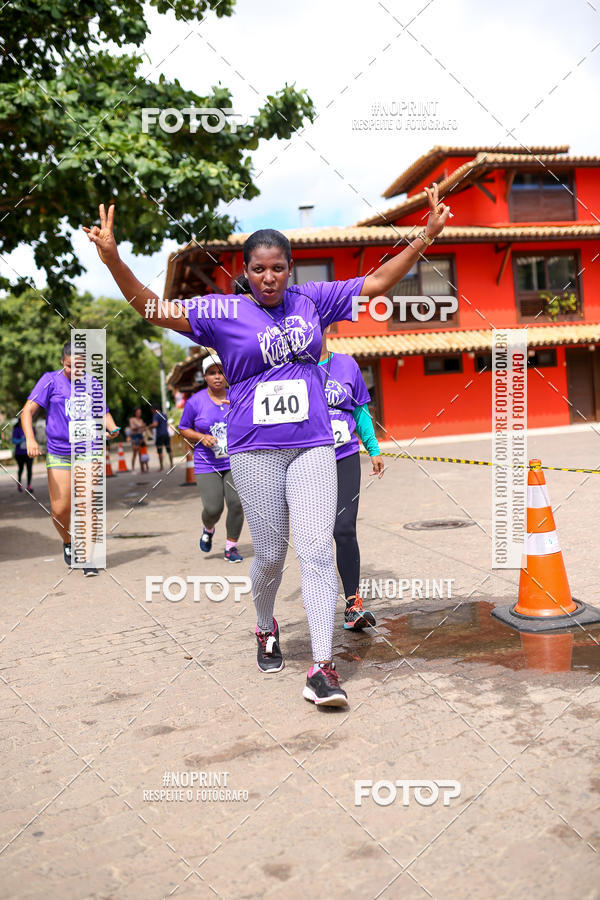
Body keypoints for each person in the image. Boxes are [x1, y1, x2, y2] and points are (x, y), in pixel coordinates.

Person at [83, 186, 450, 705]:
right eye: (259, 269)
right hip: (254, 451)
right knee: (272, 555)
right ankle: (264, 624)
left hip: (314, 445)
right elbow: (152, 309)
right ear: (247, 272)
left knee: (318, 548)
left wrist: (425, 236)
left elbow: (380, 280)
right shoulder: (222, 311)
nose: (269, 278)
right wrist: (115, 259)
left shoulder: (312, 301)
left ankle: (322, 668)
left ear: (290, 269)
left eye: (278, 268)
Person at [20, 342, 120, 576]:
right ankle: (68, 541)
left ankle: (87, 558)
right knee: (60, 509)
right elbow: (27, 411)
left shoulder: (92, 382)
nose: (74, 371)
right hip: (59, 452)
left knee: (87, 505)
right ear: (62, 362)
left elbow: (102, 411)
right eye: (69, 366)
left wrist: (112, 427)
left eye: (79, 367)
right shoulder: (49, 380)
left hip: (88, 450)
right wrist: (31, 440)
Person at [318, 328, 385, 630]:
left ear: (328, 326)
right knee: (317, 537)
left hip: (345, 457)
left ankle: (352, 605)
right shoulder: (290, 368)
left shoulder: (346, 365)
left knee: (344, 528)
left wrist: (373, 448)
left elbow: (360, 410)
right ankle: (318, 605)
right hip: (308, 463)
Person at [179, 356, 245, 563]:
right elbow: (183, 429)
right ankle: (208, 528)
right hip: (207, 463)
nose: (217, 377)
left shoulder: (238, 396)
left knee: (236, 503)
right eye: (212, 373)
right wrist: (201, 437)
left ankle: (231, 547)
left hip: (234, 461)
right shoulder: (195, 402)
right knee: (213, 508)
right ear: (205, 376)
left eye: (221, 372)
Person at [12, 421, 33, 493]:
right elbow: (14, 441)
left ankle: (29, 486)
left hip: (29, 453)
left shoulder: (30, 429)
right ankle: (19, 484)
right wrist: (22, 439)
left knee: (29, 469)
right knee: (21, 469)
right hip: (19, 454)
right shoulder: (16, 430)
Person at [150, 406, 173, 470]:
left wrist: (149, 427)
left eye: (152, 410)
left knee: (160, 450)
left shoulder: (156, 415)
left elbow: (155, 424)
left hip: (160, 435)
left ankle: (161, 466)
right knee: (169, 449)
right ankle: (171, 464)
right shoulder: (164, 415)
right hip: (166, 434)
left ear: (154, 409)